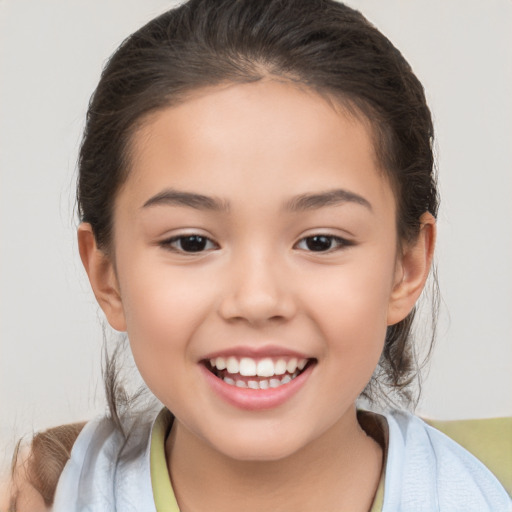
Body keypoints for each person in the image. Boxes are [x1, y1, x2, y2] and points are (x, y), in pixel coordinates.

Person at [3, 0, 511, 510]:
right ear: (106, 274)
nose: (257, 299)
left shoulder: (493, 485)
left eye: (320, 241)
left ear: (407, 268)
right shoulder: (42, 495)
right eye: (192, 242)